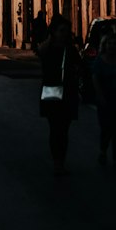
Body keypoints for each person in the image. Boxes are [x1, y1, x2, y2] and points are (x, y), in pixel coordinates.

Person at [36, 16, 82, 175]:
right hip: (52, 89)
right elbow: (40, 53)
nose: (64, 34)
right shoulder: (47, 48)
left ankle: (60, 161)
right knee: (55, 128)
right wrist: (49, 39)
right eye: (61, 31)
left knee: (64, 129)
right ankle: (57, 162)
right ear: (54, 32)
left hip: (68, 91)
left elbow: (79, 66)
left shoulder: (70, 49)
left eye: (66, 31)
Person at [90, 30, 116, 166]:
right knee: (106, 127)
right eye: (109, 44)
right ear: (104, 45)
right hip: (104, 99)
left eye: (114, 44)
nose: (112, 46)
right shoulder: (99, 61)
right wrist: (100, 95)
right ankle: (103, 150)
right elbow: (95, 78)